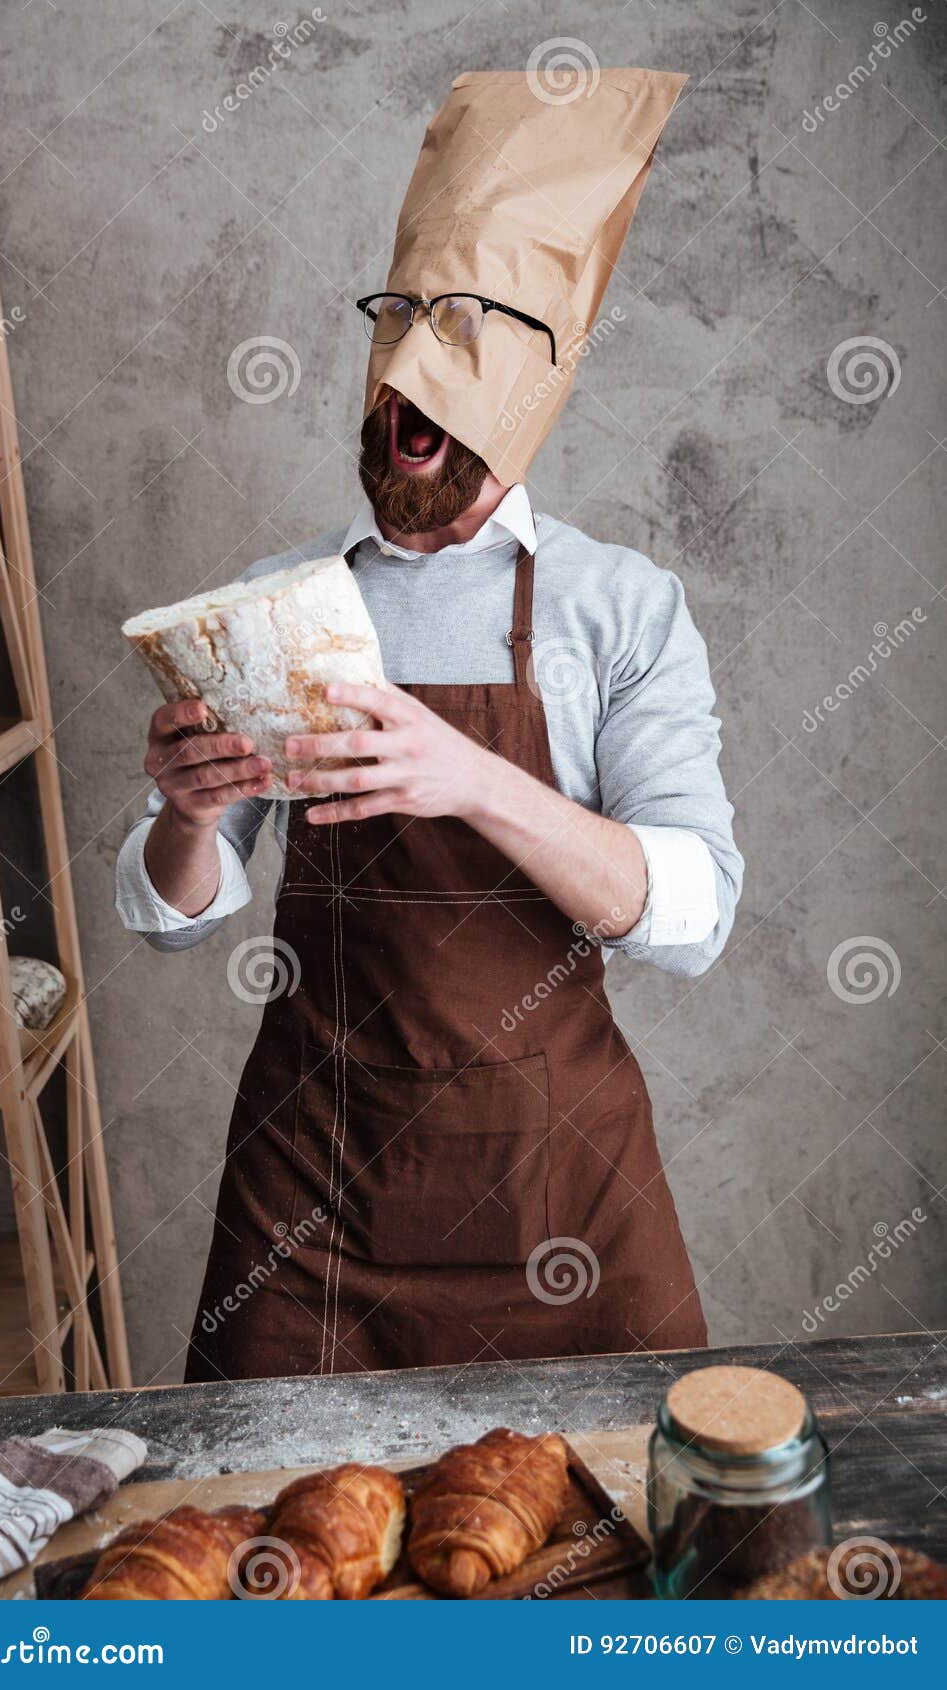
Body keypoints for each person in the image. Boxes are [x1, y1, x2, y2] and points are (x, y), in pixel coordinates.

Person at [116, 68, 743, 1381]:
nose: (404, 412)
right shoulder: (286, 602)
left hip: (557, 1186)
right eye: (392, 353)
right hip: (316, 1193)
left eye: (443, 379)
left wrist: (472, 777)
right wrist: (185, 815)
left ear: (524, 389)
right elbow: (175, 906)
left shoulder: (615, 605)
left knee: (629, 1541)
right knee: (260, 1553)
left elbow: (692, 908)